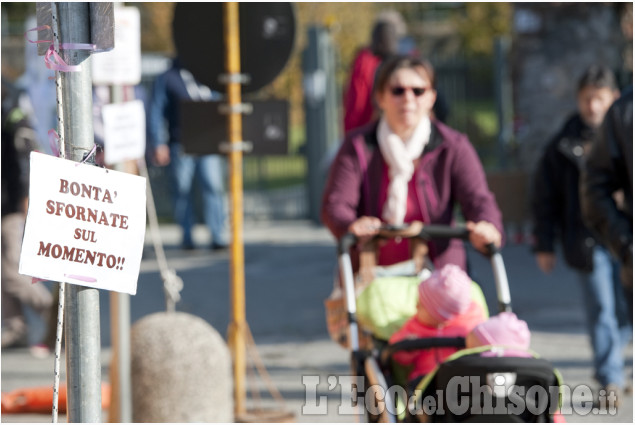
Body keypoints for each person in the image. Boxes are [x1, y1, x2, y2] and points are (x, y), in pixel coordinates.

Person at [321, 55, 503, 272]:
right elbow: (336, 204)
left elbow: (479, 200)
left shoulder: (453, 147)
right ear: (380, 97)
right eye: (397, 90)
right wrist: (350, 226)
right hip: (373, 277)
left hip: (439, 275)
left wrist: (487, 227)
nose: (408, 98)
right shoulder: (357, 146)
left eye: (418, 91)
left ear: (431, 98)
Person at [531, 65, 631, 401]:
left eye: (599, 99)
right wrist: (544, 243)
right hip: (589, 239)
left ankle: (614, 359)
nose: (592, 107)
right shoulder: (562, 145)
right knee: (601, 307)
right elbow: (545, 197)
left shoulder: (624, 128)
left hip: (626, 237)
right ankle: (610, 378)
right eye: (587, 99)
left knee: (625, 310)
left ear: (613, 99)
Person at [147, 58, 228, 251]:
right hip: (180, 143)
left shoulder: (209, 75)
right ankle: (187, 237)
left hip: (208, 143)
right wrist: (158, 143)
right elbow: (156, 111)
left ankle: (217, 236)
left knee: (213, 187)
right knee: (182, 190)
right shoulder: (168, 77)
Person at [1, 77, 53, 352]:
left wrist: (25, 196)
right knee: (2, 272)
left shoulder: (12, 115)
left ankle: (54, 313)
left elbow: (25, 161)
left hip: (10, 205)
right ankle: (15, 327)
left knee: (12, 272)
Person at [388, 264, 487, 381]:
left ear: (440, 314)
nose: (416, 306)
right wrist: (409, 348)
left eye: (421, 305)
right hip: (427, 380)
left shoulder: (471, 322)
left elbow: (486, 349)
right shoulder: (415, 325)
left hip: (465, 377)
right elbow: (397, 353)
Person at [343, 14, 402, 134]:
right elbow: (357, 106)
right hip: (368, 134)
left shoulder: (398, 64)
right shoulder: (366, 64)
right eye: (389, 35)